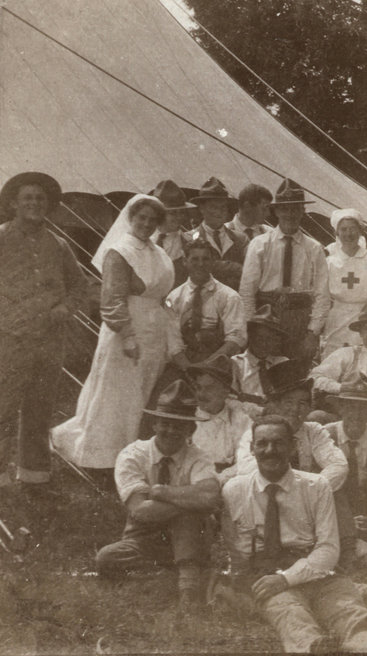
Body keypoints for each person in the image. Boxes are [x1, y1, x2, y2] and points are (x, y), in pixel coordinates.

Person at [220, 414, 367, 652]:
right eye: (262, 443)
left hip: (317, 572)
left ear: (293, 447)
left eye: (279, 443)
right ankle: (313, 648)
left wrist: (287, 578)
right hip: (267, 575)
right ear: (252, 448)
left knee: (351, 614)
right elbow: (236, 550)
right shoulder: (235, 490)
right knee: (292, 617)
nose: (270, 450)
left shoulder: (316, 487)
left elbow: (329, 549)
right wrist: (249, 585)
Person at [53, 194, 175, 475]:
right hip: (126, 334)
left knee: (141, 392)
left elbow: (163, 297)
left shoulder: (157, 252)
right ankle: (102, 456)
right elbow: (112, 301)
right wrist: (128, 336)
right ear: (130, 219)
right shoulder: (120, 252)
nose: (146, 224)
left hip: (154, 332)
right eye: (140, 218)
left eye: (152, 220)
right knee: (117, 394)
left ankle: (131, 452)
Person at [95, 381, 221, 612]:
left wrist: (162, 492)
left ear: (190, 429)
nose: (171, 431)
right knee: (106, 558)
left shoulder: (199, 457)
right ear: (154, 424)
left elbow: (212, 495)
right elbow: (140, 510)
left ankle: (188, 595)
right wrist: (193, 503)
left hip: (191, 536)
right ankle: (181, 576)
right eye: (165, 423)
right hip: (144, 537)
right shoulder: (133, 454)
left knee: (188, 521)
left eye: (179, 426)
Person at [0, 171, 86, 487]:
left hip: (49, 342)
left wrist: (64, 308)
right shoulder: (2, 237)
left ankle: (33, 474)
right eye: (27, 198)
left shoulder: (59, 244)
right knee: (3, 407)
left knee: (39, 407)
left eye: (40, 198)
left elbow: (79, 286)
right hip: (9, 340)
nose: (34, 203)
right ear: (14, 204)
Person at [239, 178, 330, 360]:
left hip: (299, 322)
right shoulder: (260, 245)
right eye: (285, 208)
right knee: (265, 374)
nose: (290, 214)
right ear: (277, 211)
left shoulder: (314, 248)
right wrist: (251, 330)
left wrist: (312, 334)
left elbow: (322, 295)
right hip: (266, 318)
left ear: (303, 211)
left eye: (296, 208)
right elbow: (247, 292)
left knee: (296, 374)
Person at [234, 360, 348, 488]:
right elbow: (246, 470)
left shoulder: (313, 431)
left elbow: (339, 465)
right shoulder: (258, 432)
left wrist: (307, 490)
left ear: (309, 408)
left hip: (306, 498)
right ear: (275, 405)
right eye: (288, 402)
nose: (295, 409)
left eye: (302, 404)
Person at [323, 388, 367, 568]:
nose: (356, 414)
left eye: (363, 408)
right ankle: (357, 551)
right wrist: (345, 521)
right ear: (340, 409)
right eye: (350, 407)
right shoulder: (325, 436)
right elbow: (320, 486)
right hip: (334, 505)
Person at [166, 239, 246, 370]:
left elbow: (236, 338)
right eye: (194, 259)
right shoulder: (174, 298)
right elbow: (173, 341)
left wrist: (207, 365)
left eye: (206, 259)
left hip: (219, 364)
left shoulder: (229, 296)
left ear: (213, 262)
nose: (200, 264)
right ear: (185, 262)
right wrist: (187, 367)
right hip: (185, 364)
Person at [321, 208, 367, 357]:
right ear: (337, 233)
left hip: (365, 320)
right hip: (336, 320)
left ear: (360, 231)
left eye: (353, 229)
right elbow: (322, 299)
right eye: (343, 229)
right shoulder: (329, 262)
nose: (348, 234)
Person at [188, 355, 252, 485]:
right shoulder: (187, 419)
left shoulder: (239, 419)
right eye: (198, 387)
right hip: (191, 484)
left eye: (209, 388)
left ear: (225, 391)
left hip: (228, 483)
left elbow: (246, 461)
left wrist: (218, 480)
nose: (201, 394)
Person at [185, 177, 248, 291]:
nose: (219, 212)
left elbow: (248, 272)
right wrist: (233, 267)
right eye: (213, 207)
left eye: (223, 207)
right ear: (202, 209)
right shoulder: (188, 238)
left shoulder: (240, 239)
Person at [230, 305, 289, 404]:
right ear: (250, 337)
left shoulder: (283, 363)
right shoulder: (236, 363)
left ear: (276, 341)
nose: (264, 344)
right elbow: (232, 397)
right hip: (248, 413)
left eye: (270, 339)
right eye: (260, 338)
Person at [150, 179, 198, 288]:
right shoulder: (146, 238)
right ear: (160, 213)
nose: (179, 217)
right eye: (172, 213)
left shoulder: (188, 242)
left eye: (181, 212)